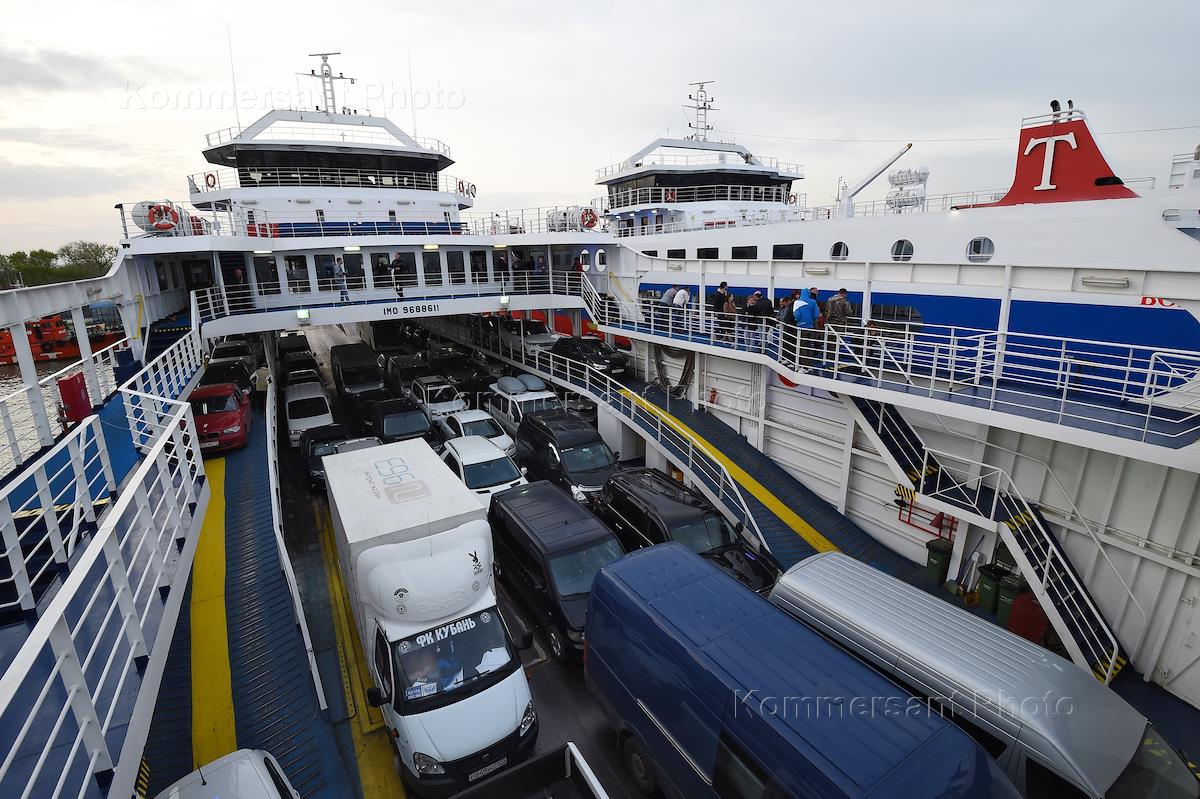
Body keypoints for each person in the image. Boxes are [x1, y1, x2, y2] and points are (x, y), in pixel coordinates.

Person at [793, 289, 819, 368]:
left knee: (802, 346)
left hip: (801, 327)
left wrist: (798, 321)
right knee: (809, 346)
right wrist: (811, 320)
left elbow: (796, 314)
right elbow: (816, 315)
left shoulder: (797, 302)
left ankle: (804, 365)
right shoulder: (813, 302)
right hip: (810, 326)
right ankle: (809, 363)